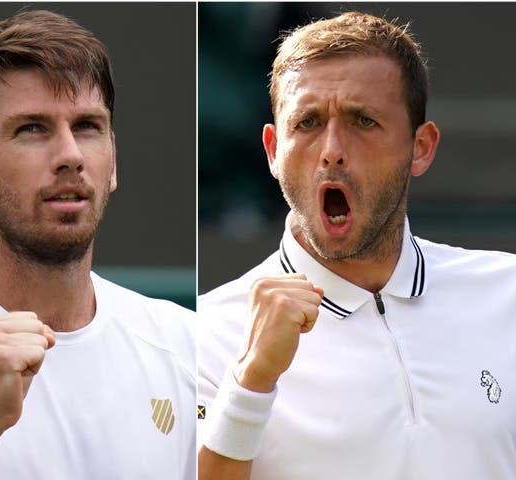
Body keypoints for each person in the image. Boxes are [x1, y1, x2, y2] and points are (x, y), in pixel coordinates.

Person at [197, 11, 516, 480]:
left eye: (363, 120)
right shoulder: (204, 337)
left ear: (421, 147)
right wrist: (250, 383)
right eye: (306, 123)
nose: (331, 149)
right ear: (272, 151)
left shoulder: (507, 293)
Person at [0, 10, 195, 480]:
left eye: (88, 126)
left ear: (112, 164)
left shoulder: (186, 344)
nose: (69, 155)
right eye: (32, 129)